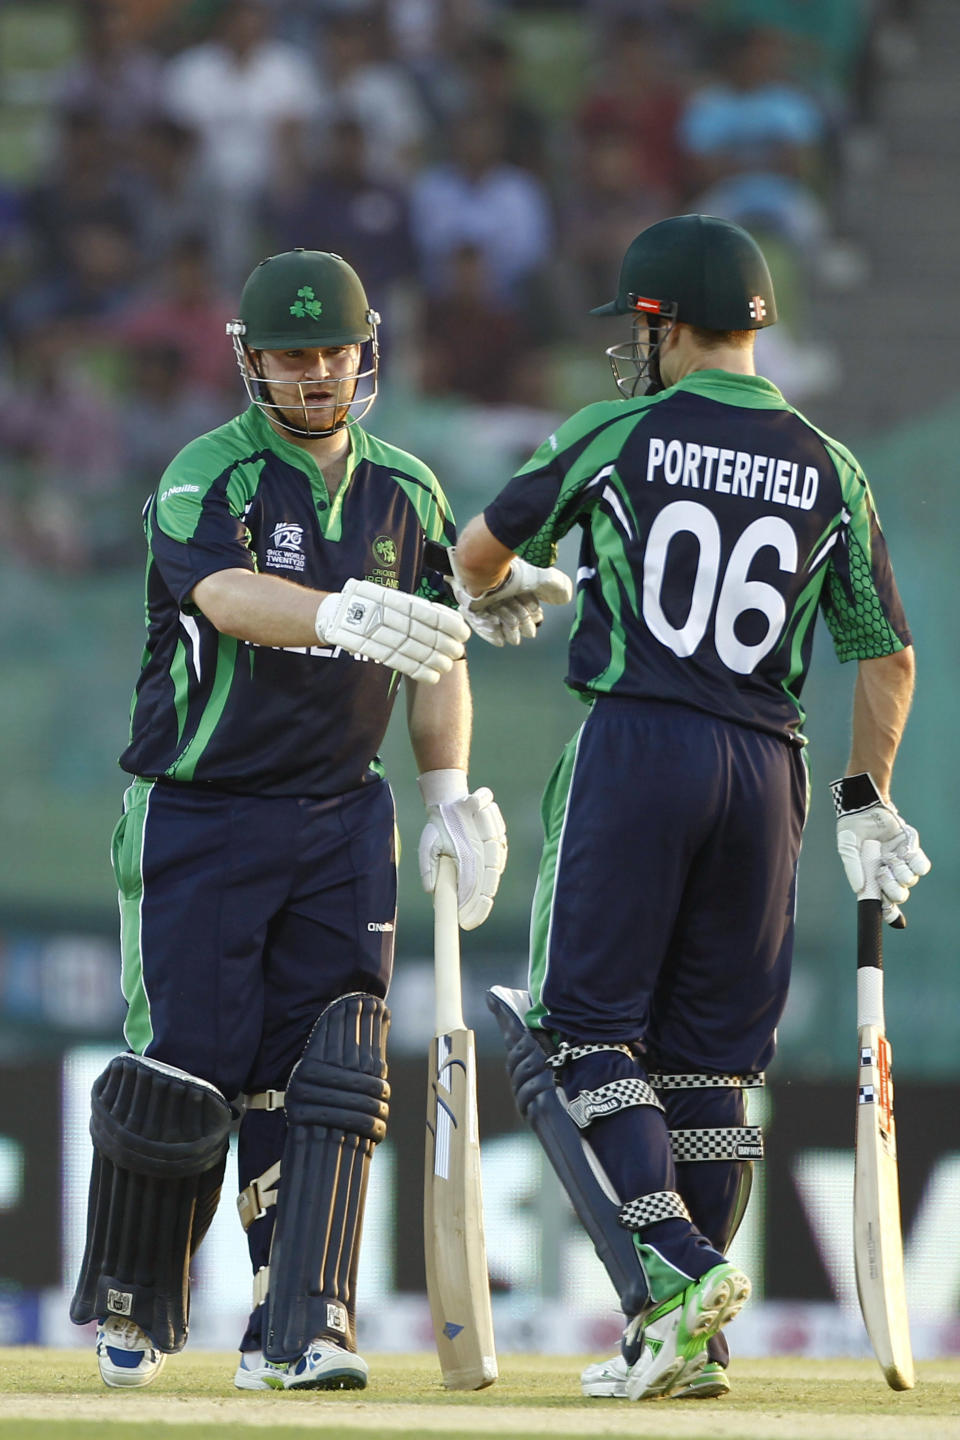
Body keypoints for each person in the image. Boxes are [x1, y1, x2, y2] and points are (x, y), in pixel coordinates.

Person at [68, 248, 568, 1393]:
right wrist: (342, 611)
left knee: (326, 1075)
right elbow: (224, 598)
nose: (314, 375)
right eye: (291, 356)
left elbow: (440, 652)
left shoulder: (410, 490)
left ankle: (300, 1327)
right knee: (191, 1068)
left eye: (332, 352)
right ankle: (139, 1300)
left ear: (365, 352)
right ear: (252, 362)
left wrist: (447, 790)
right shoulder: (210, 475)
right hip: (200, 812)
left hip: (343, 818)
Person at [450, 214, 930, 1402]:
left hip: (641, 741)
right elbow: (888, 658)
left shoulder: (620, 429)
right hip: (769, 771)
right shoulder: (833, 463)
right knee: (713, 1064)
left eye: (641, 326)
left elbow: (473, 555)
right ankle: (692, 1348)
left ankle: (674, 1266)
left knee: (581, 1031)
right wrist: (869, 800)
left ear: (662, 323)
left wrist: (525, 586)